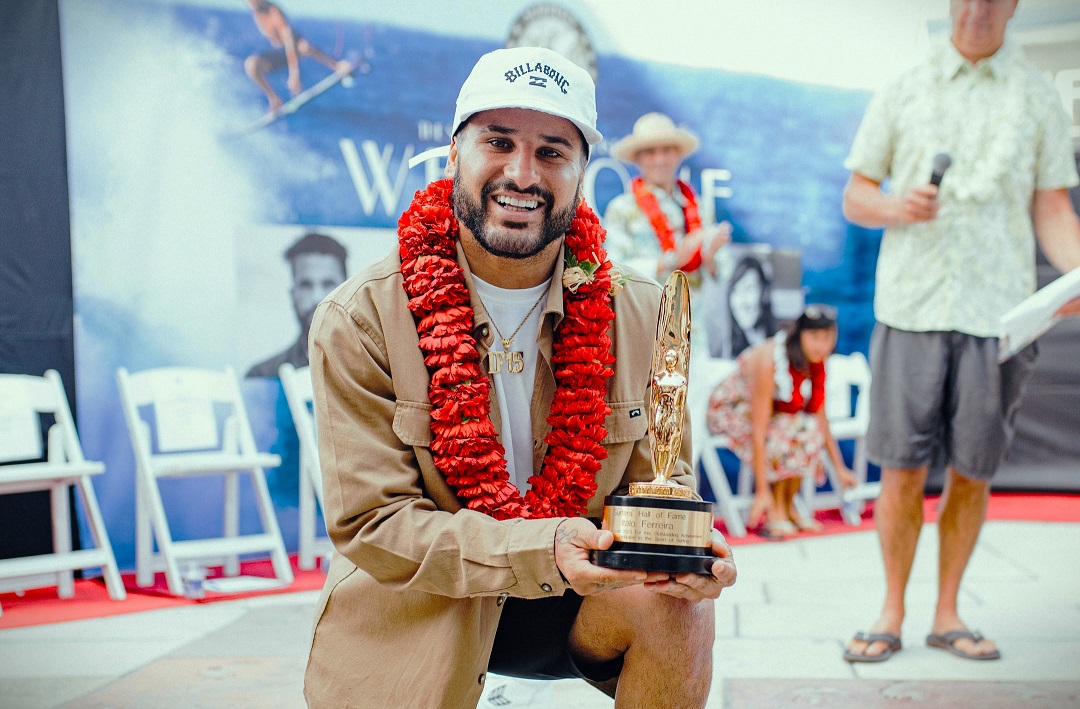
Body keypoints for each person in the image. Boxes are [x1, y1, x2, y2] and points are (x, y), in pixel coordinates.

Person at [303, 46, 737, 709]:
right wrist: (540, 543)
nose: (523, 172)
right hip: (425, 605)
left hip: (587, 587)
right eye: (498, 142)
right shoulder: (358, 318)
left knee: (677, 608)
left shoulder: (655, 314)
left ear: (583, 171)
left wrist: (684, 553)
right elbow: (374, 523)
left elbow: (663, 478)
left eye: (553, 151)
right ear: (453, 155)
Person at [842, 0, 1080, 664]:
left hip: (998, 314)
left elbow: (1054, 209)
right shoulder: (905, 84)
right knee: (901, 468)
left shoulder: (1037, 95)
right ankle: (891, 609)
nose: (977, 7)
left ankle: (948, 612)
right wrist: (895, 204)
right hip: (911, 305)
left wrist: (1078, 273)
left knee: (973, 470)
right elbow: (856, 194)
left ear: (1014, 5)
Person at [706, 305, 857, 539]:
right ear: (800, 335)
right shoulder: (771, 360)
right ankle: (774, 507)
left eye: (828, 337)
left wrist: (839, 468)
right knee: (785, 431)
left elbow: (820, 417)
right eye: (815, 337)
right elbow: (758, 427)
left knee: (805, 429)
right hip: (733, 410)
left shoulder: (816, 361)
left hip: (772, 416)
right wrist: (761, 490)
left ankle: (788, 505)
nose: (821, 345)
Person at [603, 112, 731, 285]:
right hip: (647, 309)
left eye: (666, 150)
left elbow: (723, 273)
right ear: (637, 159)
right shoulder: (621, 209)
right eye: (650, 152)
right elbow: (615, 271)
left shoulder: (697, 205)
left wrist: (710, 256)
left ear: (677, 155)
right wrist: (672, 260)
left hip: (694, 310)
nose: (660, 159)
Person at [246, 231, 347, 378]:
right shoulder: (262, 376)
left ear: (350, 290)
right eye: (306, 285)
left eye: (328, 284)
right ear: (293, 294)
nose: (317, 297)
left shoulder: (379, 371)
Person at [243, 0, 352, 111]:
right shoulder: (256, 13)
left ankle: (336, 65)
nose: (251, 3)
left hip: (293, 46)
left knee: (305, 47)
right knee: (251, 65)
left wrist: (294, 75)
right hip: (278, 53)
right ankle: (274, 99)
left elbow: (289, 43)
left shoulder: (274, 12)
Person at [726, 253, 777, 357]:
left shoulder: (779, 338)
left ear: (764, 294)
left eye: (749, 289)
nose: (742, 301)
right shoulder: (726, 345)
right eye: (736, 290)